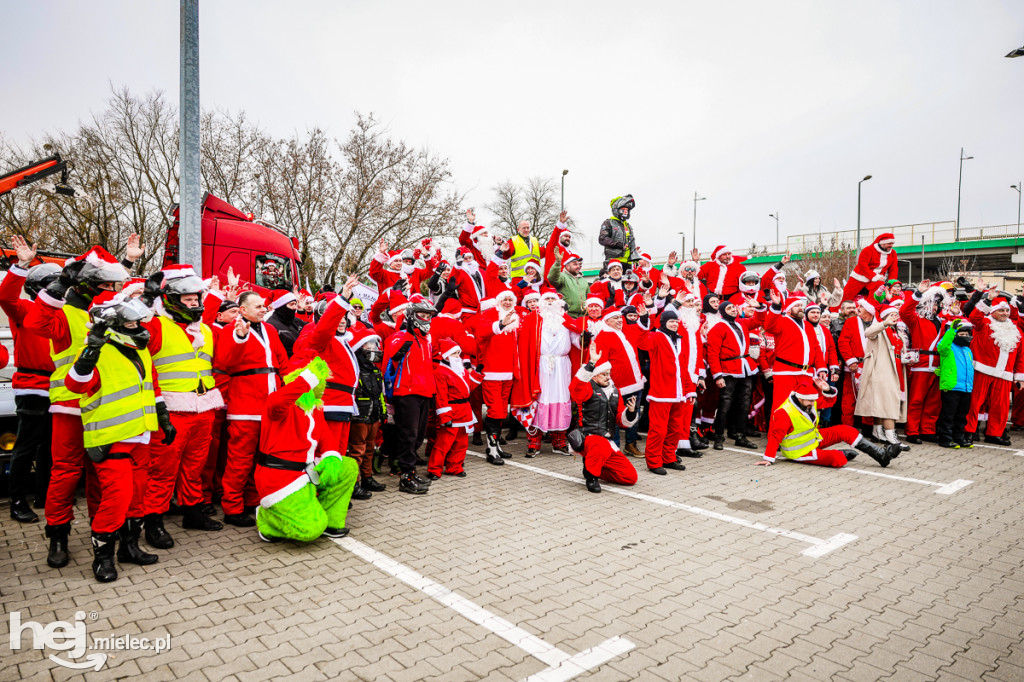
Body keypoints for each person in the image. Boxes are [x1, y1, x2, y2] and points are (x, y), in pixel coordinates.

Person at [26, 246, 132, 570]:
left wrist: (128, 263)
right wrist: (61, 282)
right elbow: (36, 321)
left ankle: (103, 534)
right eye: (105, 285)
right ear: (87, 284)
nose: (111, 290)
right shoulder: (65, 312)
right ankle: (58, 535)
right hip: (70, 406)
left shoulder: (107, 311)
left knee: (102, 473)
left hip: (104, 406)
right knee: (66, 472)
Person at [64, 296, 176, 582]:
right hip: (110, 438)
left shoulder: (139, 350)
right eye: (131, 323)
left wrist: (163, 417)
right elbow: (74, 384)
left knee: (137, 497)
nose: (138, 327)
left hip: (140, 436)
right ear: (114, 326)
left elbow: (152, 387)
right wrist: (91, 349)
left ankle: (129, 548)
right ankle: (103, 559)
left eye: (139, 322)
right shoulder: (97, 350)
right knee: (117, 498)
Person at [139, 264, 225, 549]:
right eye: (188, 299)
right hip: (171, 410)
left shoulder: (206, 330)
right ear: (173, 301)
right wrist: (147, 298)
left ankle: (192, 511)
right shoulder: (157, 326)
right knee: (162, 470)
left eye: (196, 298)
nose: (194, 303)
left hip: (203, 408)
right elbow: (134, 332)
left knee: (195, 466)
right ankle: (153, 520)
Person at [254, 357, 359, 542]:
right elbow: (278, 401)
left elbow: (326, 438)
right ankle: (266, 518)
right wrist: (307, 379)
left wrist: (331, 458)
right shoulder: (280, 404)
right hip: (280, 479)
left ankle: (330, 520)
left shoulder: (315, 409)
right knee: (310, 530)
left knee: (348, 467)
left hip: (305, 472)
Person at [214, 291, 289, 527]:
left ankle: (253, 501)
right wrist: (240, 336)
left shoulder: (270, 330)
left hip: (270, 406)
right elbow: (225, 362)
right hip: (245, 407)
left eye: (264, 305)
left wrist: (291, 389)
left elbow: (282, 362)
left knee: (261, 458)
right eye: (257, 306)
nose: (263, 309)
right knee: (240, 460)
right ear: (243, 310)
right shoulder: (230, 331)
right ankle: (232, 507)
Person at [0, 236, 59, 523]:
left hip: (58, 388)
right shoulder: (24, 309)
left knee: (50, 446)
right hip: (33, 387)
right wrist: (21, 265)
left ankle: (45, 494)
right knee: (25, 447)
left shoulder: (63, 315)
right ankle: (17, 502)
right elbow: (5, 298)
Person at [756, 377, 897, 468]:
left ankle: (880, 455)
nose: (813, 403)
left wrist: (827, 389)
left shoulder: (809, 402)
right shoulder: (784, 412)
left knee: (846, 430)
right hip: (798, 451)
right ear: (799, 398)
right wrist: (769, 458)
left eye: (814, 400)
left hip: (813, 439)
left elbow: (829, 402)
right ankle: (840, 453)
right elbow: (775, 437)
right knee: (838, 459)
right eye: (810, 401)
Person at [381, 295, 437, 493]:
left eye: (428, 316)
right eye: (422, 315)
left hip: (424, 392)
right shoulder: (400, 337)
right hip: (407, 392)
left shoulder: (425, 340)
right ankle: (405, 476)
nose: (426, 319)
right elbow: (391, 359)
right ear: (412, 316)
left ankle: (411, 471)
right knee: (408, 435)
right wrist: (406, 337)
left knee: (418, 436)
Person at [567, 354, 640, 493]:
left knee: (630, 476)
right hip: (588, 438)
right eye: (604, 374)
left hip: (607, 442)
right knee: (600, 445)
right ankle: (591, 476)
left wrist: (630, 412)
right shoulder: (587, 388)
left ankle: (592, 465)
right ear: (594, 376)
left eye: (609, 373)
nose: (608, 377)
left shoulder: (615, 391)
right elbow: (575, 389)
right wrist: (591, 364)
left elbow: (621, 420)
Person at [514, 291, 573, 457]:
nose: (550, 302)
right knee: (539, 401)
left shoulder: (565, 319)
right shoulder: (532, 319)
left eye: (553, 299)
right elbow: (524, 344)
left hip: (562, 367)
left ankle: (559, 442)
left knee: (561, 400)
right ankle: (534, 443)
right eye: (546, 299)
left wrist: (584, 337)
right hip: (540, 366)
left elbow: (576, 339)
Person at [962, 288, 1024, 446]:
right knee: (974, 403)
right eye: (1001, 310)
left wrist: (1019, 377)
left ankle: (994, 433)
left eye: (1006, 310)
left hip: (1004, 374)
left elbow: (1020, 355)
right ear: (993, 311)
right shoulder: (984, 323)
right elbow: (974, 317)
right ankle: (968, 431)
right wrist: (988, 299)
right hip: (982, 370)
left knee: (1001, 406)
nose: (1005, 313)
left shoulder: (1015, 329)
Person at [638, 308, 696, 474]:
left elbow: (683, 368)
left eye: (676, 322)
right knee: (658, 430)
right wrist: (644, 319)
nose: (674, 324)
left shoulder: (680, 339)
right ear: (664, 323)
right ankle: (654, 461)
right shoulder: (656, 337)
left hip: (679, 393)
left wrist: (689, 390)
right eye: (671, 322)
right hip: (661, 394)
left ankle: (669, 457)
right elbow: (642, 342)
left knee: (675, 429)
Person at [854, 305, 910, 451]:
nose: (895, 317)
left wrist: (908, 357)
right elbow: (868, 332)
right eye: (892, 314)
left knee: (882, 403)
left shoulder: (897, 331)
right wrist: (884, 323)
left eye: (896, 315)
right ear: (884, 316)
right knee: (888, 403)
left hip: (897, 368)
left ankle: (878, 432)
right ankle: (892, 438)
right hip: (882, 369)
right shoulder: (879, 328)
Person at [705, 300, 760, 450]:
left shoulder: (742, 323)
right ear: (723, 311)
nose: (734, 310)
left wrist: (760, 307)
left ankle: (740, 436)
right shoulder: (718, 328)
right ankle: (719, 437)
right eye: (729, 308)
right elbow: (713, 353)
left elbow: (759, 320)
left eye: (734, 307)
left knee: (744, 403)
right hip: (727, 369)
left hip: (745, 367)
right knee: (725, 403)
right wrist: (717, 375)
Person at [474, 290, 521, 463]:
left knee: (501, 411)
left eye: (510, 299)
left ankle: (496, 447)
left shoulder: (515, 317)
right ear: (498, 301)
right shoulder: (489, 314)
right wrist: (501, 324)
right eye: (504, 299)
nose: (507, 302)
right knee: (494, 410)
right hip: (492, 372)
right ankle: (492, 450)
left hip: (508, 372)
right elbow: (482, 332)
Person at [899, 280, 948, 443]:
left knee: (934, 402)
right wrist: (918, 293)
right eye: (931, 303)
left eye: (936, 304)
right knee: (916, 400)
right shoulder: (916, 320)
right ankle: (912, 431)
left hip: (938, 366)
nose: (934, 307)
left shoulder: (942, 322)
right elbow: (904, 311)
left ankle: (927, 430)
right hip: (921, 365)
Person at [764, 291, 827, 415]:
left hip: (806, 373)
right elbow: (769, 326)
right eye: (797, 306)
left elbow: (816, 348)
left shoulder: (808, 326)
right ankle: (778, 428)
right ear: (788, 309)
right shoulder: (781, 321)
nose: (801, 308)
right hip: (786, 372)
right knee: (782, 405)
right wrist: (776, 306)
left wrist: (821, 367)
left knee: (805, 406)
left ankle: (803, 427)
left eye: (801, 305)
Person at [593, 307, 645, 455]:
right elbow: (600, 362)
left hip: (634, 382)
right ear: (607, 321)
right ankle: (614, 448)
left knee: (633, 413)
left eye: (619, 317)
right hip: (617, 385)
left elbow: (642, 332)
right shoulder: (603, 337)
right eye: (615, 318)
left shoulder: (624, 332)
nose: (619, 320)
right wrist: (607, 384)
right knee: (614, 418)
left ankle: (631, 444)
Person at [429, 340, 481, 478]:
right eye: (454, 353)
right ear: (446, 355)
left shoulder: (461, 370)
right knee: (443, 443)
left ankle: (455, 467)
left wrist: (477, 374)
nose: (458, 356)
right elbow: (441, 396)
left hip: (464, 410)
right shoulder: (440, 372)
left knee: (461, 443)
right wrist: (445, 416)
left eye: (458, 353)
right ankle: (434, 469)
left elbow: (468, 388)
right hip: (452, 410)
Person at [346, 328, 388, 493]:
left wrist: (383, 412)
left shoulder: (375, 370)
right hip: (359, 416)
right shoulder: (354, 370)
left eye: (373, 345)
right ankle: (353, 484)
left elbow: (380, 394)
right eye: (368, 345)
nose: (372, 348)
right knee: (357, 450)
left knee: (370, 449)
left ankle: (367, 478)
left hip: (374, 415)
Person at [935, 320, 975, 448]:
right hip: (951, 386)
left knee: (962, 415)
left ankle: (959, 438)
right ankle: (945, 439)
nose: (964, 337)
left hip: (966, 388)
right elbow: (942, 346)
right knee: (948, 415)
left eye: (966, 335)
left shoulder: (967, 350)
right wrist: (951, 330)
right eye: (960, 334)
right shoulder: (948, 347)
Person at [841, 233, 898, 302]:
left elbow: (893, 269)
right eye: (889, 243)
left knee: (876, 298)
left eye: (892, 243)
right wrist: (874, 276)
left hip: (878, 280)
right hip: (859, 277)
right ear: (882, 243)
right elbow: (862, 265)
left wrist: (892, 283)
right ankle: (834, 309)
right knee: (844, 297)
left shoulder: (893, 253)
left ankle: (872, 308)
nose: (891, 245)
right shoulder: (868, 250)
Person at [265, 289, 307, 356]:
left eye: (295, 304)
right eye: (291, 304)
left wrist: (301, 311)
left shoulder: (294, 320)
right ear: (281, 306)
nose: (295, 308)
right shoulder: (271, 325)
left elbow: (312, 328)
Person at [599, 195, 637, 266]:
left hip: (628, 262)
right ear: (616, 210)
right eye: (623, 210)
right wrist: (619, 244)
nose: (625, 212)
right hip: (614, 261)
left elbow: (631, 241)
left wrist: (635, 257)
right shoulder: (609, 223)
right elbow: (602, 238)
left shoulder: (628, 226)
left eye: (627, 210)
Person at [547, 250, 588, 318]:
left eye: (579, 264)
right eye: (575, 264)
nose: (578, 266)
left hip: (583, 317)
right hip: (567, 316)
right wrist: (557, 263)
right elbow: (552, 278)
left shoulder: (584, 281)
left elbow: (589, 298)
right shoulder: (562, 276)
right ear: (567, 266)